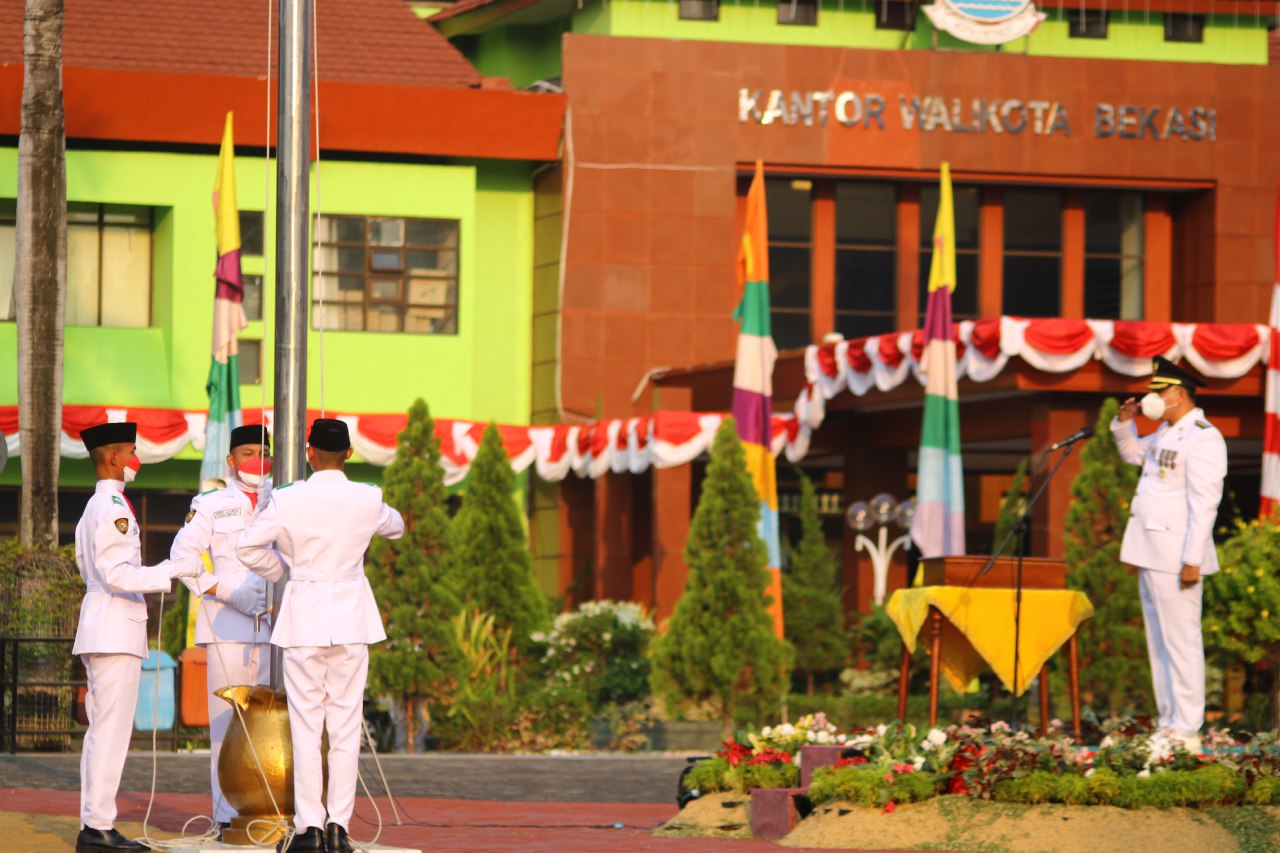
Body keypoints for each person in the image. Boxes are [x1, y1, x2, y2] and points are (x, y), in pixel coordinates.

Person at [236, 418, 404, 853]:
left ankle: (310, 829)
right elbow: (397, 526)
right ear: (349, 454)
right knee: (346, 727)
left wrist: (285, 571)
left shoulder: (289, 499)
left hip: (305, 617)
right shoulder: (367, 497)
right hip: (351, 620)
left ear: (309, 452)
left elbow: (248, 548)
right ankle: (339, 828)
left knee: (306, 727)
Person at [73, 422, 203, 853]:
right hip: (114, 627)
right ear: (112, 458)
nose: (136, 459)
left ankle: (95, 822)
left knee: (102, 731)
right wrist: (169, 570)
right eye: (130, 451)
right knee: (110, 732)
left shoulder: (98, 505)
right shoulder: (111, 505)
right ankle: (98, 826)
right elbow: (115, 574)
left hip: (102, 624)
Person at [1112, 356, 1227, 754]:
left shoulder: (1203, 436)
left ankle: (1188, 729)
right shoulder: (1166, 430)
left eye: (1159, 391)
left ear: (1178, 393)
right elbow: (1132, 456)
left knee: (1181, 642)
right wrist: (1124, 423)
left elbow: (1205, 505)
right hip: (1150, 550)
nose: (1152, 397)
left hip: (1177, 554)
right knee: (1158, 642)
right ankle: (1168, 724)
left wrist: (1192, 559)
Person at [168, 424, 273, 835]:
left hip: (275, 629)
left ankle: (270, 807)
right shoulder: (210, 504)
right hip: (227, 626)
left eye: (263, 452)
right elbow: (182, 558)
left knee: (272, 724)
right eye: (246, 452)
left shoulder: (282, 501)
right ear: (230, 461)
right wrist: (229, 592)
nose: (256, 460)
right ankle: (225, 815)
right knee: (225, 724)